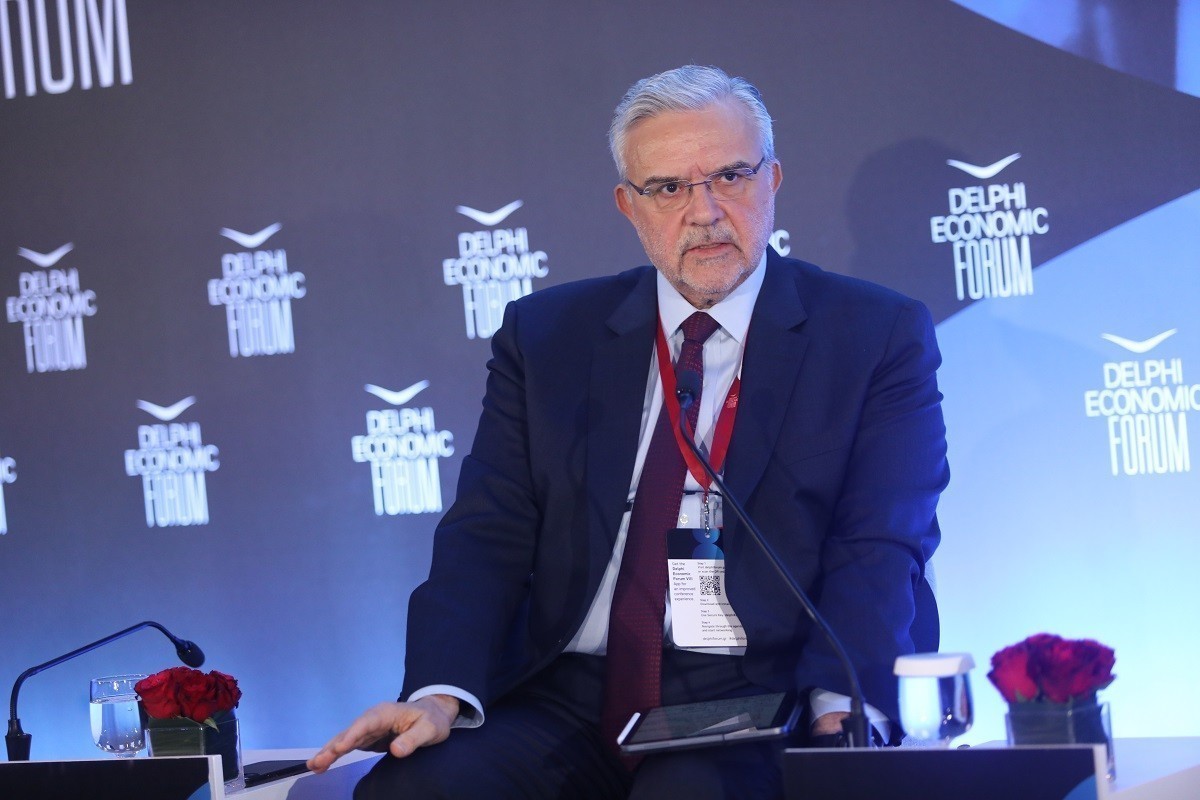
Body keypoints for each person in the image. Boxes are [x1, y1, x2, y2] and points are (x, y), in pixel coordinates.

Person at [309, 64, 948, 799]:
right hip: (567, 693)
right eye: (669, 187)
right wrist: (439, 693)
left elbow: (880, 543)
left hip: (754, 693)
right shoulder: (547, 335)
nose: (705, 211)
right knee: (416, 790)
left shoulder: (872, 335)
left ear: (772, 180)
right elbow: (488, 530)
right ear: (629, 205)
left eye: (730, 177)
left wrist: (843, 709)